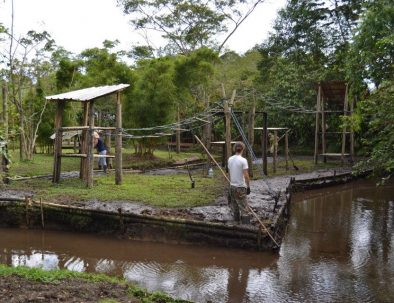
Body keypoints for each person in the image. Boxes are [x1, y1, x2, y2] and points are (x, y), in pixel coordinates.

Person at [228, 142, 251, 224]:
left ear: (235, 149)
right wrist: (248, 186)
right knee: (244, 208)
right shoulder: (243, 160)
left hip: (232, 187)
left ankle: (236, 224)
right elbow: (246, 175)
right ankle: (246, 227)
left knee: (235, 207)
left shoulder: (230, 159)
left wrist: (230, 184)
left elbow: (230, 174)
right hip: (240, 187)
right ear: (242, 149)